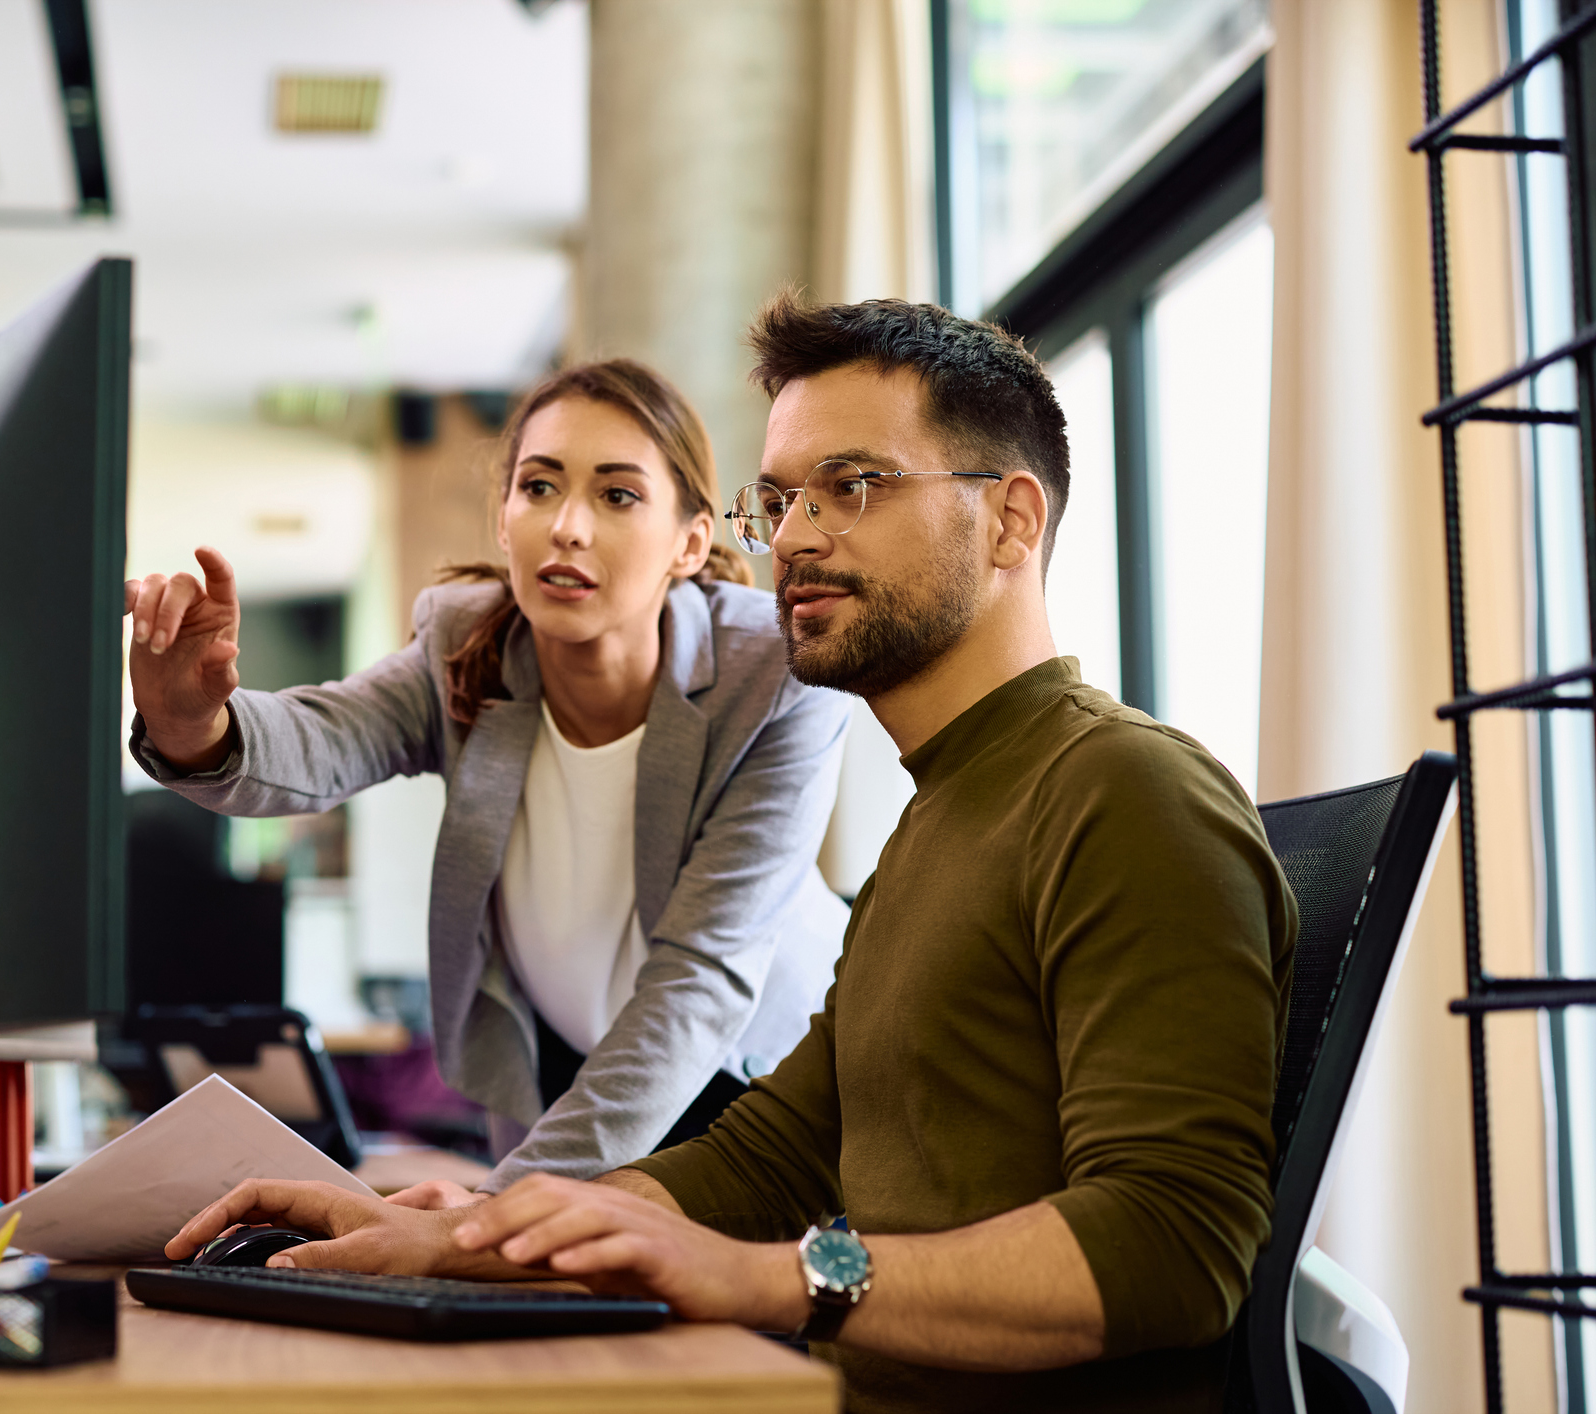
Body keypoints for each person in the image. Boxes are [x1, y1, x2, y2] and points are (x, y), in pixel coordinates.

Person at [166, 296, 1298, 1414]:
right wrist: (470, 1233)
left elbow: (1175, 1245)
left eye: (852, 486)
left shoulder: (1123, 789)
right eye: (783, 499)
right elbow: (772, 1154)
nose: (799, 536)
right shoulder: (935, 822)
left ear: (1009, 522)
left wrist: (770, 1276)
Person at [124, 358, 851, 1193]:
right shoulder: (467, 647)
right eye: (538, 487)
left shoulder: (773, 676)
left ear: (688, 543)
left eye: (617, 496)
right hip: (567, 1085)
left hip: (760, 1090)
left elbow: (701, 979)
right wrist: (193, 723)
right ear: (504, 521)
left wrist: (497, 1207)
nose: (566, 526)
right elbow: (324, 738)